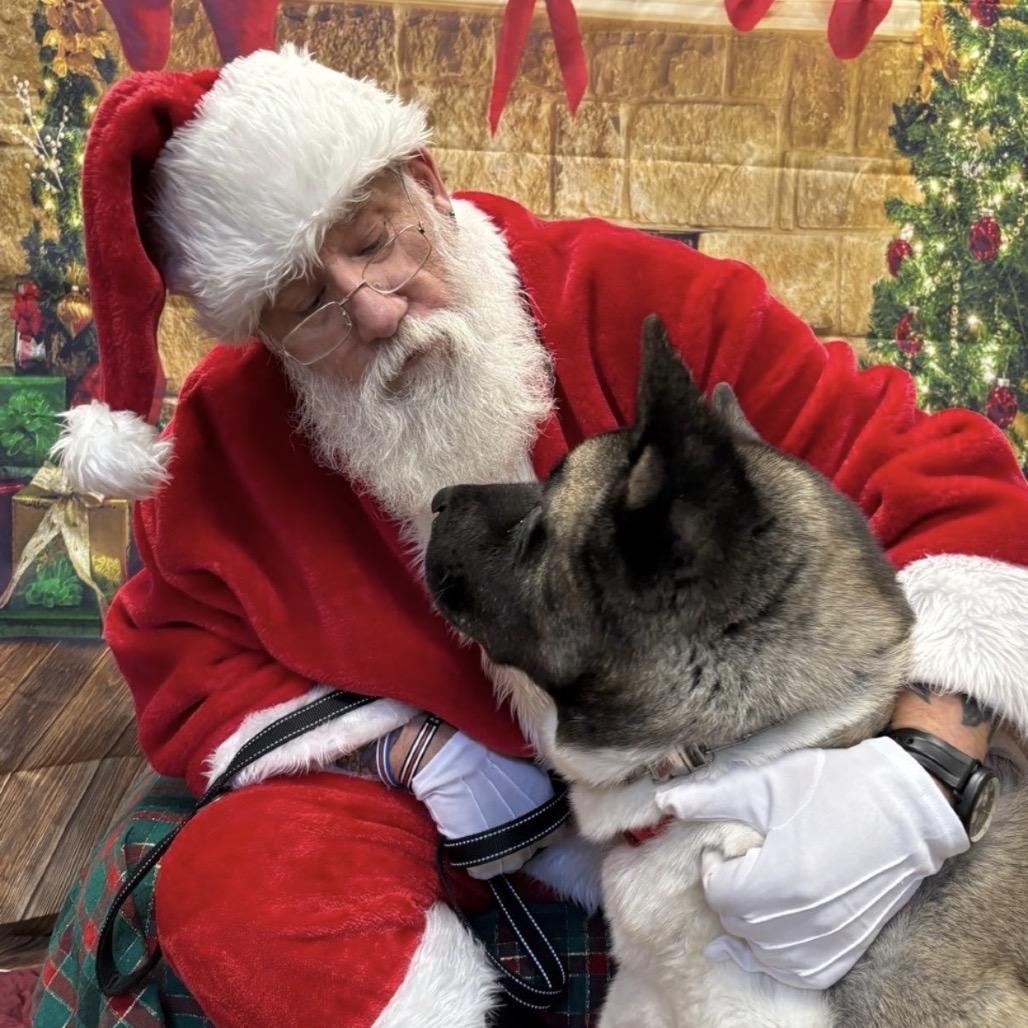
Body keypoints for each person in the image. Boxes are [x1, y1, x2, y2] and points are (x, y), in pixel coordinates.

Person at [53, 44, 1028, 1027]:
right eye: (308, 305)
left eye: (375, 239)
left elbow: (930, 478)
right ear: (260, 334)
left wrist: (919, 774)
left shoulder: (636, 291)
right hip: (469, 814)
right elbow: (179, 652)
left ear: (426, 183)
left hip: (733, 764)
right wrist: (413, 754)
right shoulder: (223, 441)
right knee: (228, 886)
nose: (378, 307)